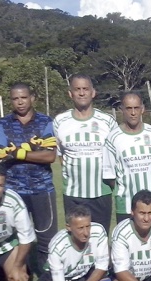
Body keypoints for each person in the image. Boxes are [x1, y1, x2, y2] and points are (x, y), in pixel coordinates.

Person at [0, 83, 57, 274]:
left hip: (42, 189)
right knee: (13, 238)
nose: (20, 102)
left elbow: (50, 156)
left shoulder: (45, 122)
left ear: (32, 98)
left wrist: (16, 153)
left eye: (23, 97)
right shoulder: (2, 124)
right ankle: (16, 279)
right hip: (12, 191)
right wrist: (34, 149)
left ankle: (48, 280)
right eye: (15, 98)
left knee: (46, 238)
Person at [53, 75, 116, 233]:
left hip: (101, 192)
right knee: (75, 240)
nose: (81, 93)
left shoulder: (107, 121)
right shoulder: (60, 121)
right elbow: (61, 156)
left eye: (85, 89)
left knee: (100, 239)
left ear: (93, 92)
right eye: (77, 89)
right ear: (70, 93)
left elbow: (115, 156)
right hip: (73, 194)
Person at [103, 92, 151, 223]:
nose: (133, 112)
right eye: (128, 108)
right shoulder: (113, 138)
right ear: (122, 110)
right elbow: (110, 177)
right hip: (126, 206)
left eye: (136, 108)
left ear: (142, 109)